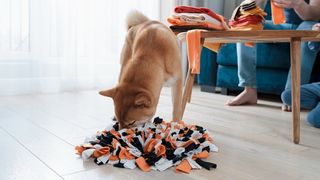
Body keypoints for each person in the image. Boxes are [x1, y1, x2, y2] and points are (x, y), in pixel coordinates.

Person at [226, 0, 320, 110]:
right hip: (280, 24)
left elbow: (315, 15)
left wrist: (297, 4)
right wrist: (244, 10)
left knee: (307, 34)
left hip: (307, 23)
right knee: (245, 24)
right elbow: (248, 6)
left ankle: (292, 95)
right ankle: (249, 91)